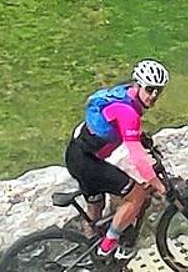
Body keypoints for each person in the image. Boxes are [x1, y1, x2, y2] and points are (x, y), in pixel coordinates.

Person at [65, 60, 170, 262]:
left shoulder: (124, 93)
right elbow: (137, 155)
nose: (154, 95)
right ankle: (107, 248)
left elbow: (115, 123)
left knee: (95, 210)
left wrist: (140, 137)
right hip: (87, 162)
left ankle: (91, 255)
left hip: (77, 153)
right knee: (137, 195)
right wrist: (158, 185)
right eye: (150, 89)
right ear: (138, 85)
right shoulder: (129, 112)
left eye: (159, 91)